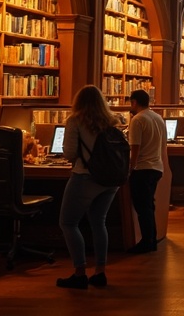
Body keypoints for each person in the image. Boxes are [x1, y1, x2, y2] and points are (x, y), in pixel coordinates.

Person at [56, 85, 122, 289]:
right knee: (98, 222)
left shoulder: (75, 120)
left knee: (68, 222)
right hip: (111, 179)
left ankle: (80, 272)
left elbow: (68, 153)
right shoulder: (112, 121)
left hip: (85, 176)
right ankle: (100, 271)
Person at [127, 89, 166, 254]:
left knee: (142, 208)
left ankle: (147, 242)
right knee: (149, 205)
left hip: (142, 168)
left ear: (134, 102)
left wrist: (130, 168)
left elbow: (135, 148)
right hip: (156, 167)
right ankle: (152, 239)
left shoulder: (137, 120)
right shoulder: (158, 117)